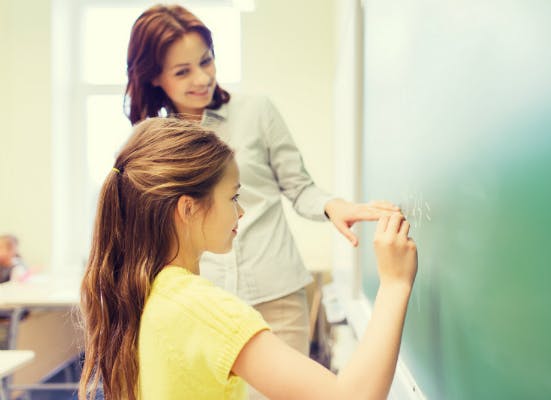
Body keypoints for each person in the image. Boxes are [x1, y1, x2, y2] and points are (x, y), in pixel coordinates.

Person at [124, 5, 400, 385]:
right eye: (183, 71)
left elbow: (299, 187)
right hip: (208, 304)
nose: (203, 78)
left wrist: (334, 206)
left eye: (207, 61)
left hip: (277, 295)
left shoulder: (256, 111)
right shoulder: (154, 140)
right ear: (154, 77)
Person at [78, 117, 417, 400]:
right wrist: (395, 283)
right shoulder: (203, 309)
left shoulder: (145, 290)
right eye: (233, 196)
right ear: (188, 208)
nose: (241, 211)